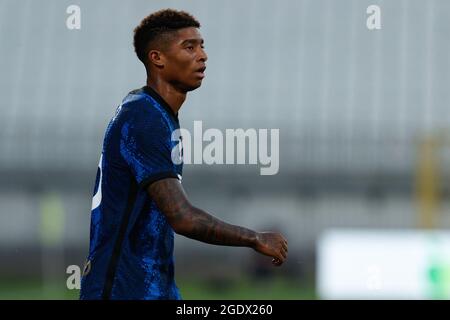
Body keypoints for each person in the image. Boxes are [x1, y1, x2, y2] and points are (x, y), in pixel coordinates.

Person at [79, 8, 288, 300]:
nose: (202, 55)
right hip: (122, 289)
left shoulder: (153, 112)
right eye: (189, 47)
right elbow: (182, 217)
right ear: (157, 58)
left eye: (202, 46)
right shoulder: (143, 118)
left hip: (153, 287)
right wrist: (255, 238)